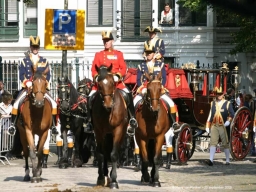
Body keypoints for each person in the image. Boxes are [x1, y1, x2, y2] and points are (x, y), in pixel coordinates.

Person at [133, 41, 179, 169]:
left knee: (171, 103)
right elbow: (138, 80)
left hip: (158, 89)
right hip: (145, 89)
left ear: (154, 54)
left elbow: (163, 78)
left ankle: (173, 123)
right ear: (145, 54)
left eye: (151, 53)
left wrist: (159, 87)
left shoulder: (160, 64)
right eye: (147, 53)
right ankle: (132, 123)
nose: (149, 55)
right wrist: (143, 88)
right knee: (133, 102)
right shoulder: (141, 66)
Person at [88, 31, 138, 136]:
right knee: (90, 96)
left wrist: (118, 76)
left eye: (107, 40)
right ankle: (89, 121)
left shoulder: (118, 54)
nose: (105, 43)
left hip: (116, 83)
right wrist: (96, 77)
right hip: (101, 84)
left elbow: (123, 68)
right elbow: (93, 69)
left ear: (112, 41)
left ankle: (132, 118)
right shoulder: (99, 55)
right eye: (104, 41)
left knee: (128, 94)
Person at [7, 36, 58, 136]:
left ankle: (53, 126)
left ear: (39, 48)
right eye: (33, 47)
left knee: (54, 104)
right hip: (28, 88)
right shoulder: (24, 61)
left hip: (41, 89)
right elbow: (22, 75)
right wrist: (27, 83)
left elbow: (48, 75)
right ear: (30, 47)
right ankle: (13, 125)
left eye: (37, 47)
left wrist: (44, 84)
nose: (35, 49)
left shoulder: (44, 61)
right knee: (16, 104)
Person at [205, 86, 235, 166]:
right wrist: (207, 125)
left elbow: (232, 114)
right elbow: (210, 115)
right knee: (213, 142)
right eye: (218, 94)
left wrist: (228, 121)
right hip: (214, 125)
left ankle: (227, 160)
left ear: (223, 95)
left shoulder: (227, 103)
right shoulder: (213, 103)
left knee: (225, 143)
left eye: (220, 94)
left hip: (223, 126)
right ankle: (211, 160)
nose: (219, 96)